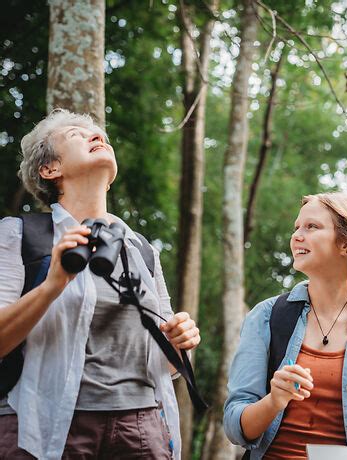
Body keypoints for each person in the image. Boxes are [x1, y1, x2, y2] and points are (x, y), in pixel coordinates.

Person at [0, 108, 201, 460]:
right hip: (43, 424)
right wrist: (53, 284)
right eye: (76, 134)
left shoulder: (142, 250)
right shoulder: (18, 235)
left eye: (100, 135)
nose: (97, 136)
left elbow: (168, 368)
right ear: (50, 170)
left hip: (141, 429)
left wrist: (179, 343)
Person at [224, 192, 347, 459]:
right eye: (297, 227)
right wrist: (274, 400)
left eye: (312, 227)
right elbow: (234, 426)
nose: (297, 235)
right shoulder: (266, 316)